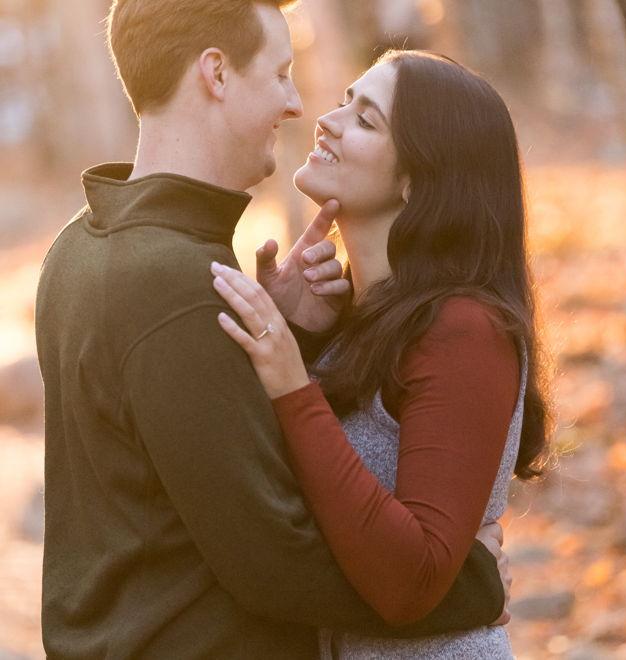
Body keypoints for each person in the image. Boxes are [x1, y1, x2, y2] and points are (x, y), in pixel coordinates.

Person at [35, 2, 511, 659]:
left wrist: (293, 337)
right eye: (281, 74)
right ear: (216, 74)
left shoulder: (79, 247)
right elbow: (274, 556)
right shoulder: (173, 280)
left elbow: (182, 470)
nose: (297, 105)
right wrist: (473, 588)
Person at [211, 49, 550, 658]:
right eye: (345, 101)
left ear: (417, 179)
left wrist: (293, 384)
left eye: (365, 120)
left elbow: (410, 580)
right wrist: (304, 336)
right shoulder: (356, 322)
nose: (327, 121)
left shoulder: (465, 330)